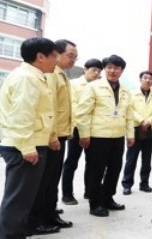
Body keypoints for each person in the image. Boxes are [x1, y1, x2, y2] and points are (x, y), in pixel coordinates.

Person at [0, 37, 58, 239]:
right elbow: (22, 115)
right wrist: (27, 147)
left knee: (23, 200)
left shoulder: (34, 76)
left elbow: (39, 113)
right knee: (17, 201)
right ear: (40, 57)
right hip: (23, 147)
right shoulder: (26, 78)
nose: (56, 61)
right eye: (53, 56)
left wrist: (50, 137)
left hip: (29, 144)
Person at [76, 54, 135, 217]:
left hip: (117, 137)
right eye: (109, 67)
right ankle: (95, 203)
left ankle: (108, 198)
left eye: (116, 68)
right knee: (96, 171)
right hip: (97, 136)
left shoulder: (125, 91)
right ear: (105, 69)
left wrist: (130, 135)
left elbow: (129, 114)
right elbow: (82, 113)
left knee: (115, 170)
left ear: (122, 70)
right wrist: (84, 134)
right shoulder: (93, 87)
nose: (112, 71)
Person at [28, 39, 76, 234]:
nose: (73, 60)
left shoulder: (62, 75)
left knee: (52, 179)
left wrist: (67, 131)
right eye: (70, 55)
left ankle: (50, 213)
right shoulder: (50, 75)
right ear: (57, 53)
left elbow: (64, 108)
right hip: (51, 137)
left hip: (60, 135)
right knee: (45, 181)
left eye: (75, 57)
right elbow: (51, 109)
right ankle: (38, 219)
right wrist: (53, 135)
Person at [62, 59, 103, 205]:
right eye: (94, 70)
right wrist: (74, 128)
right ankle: (67, 194)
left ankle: (89, 191)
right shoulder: (74, 84)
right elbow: (73, 107)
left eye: (99, 71)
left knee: (92, 162)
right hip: (77, 129)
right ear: (85, 69)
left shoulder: (99, 86)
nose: (96, 73)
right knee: (71, 162)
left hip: (94, 130)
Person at [121, 71, 152, 195]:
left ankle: (144, 184)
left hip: (150, 129)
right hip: (135, 129)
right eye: (145, 78)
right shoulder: (132, 94)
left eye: (150, 78)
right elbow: (130, 109)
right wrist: (141, 120)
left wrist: (148, 121)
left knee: (147, 159)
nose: (148, 80)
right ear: (140, 79)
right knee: (131, 159)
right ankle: (127, 184)